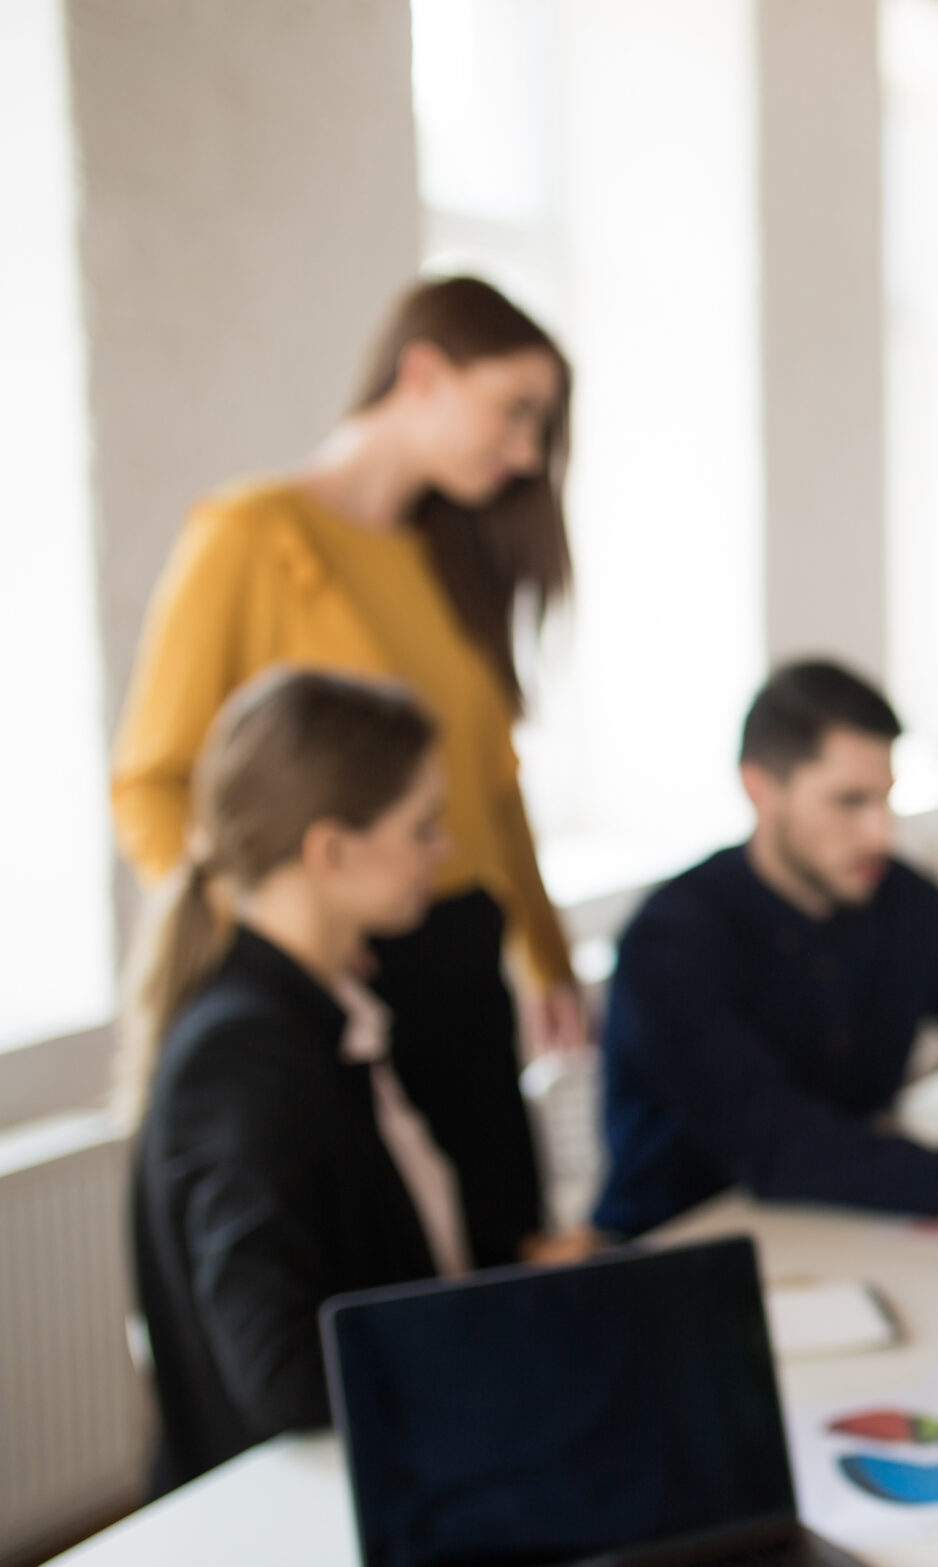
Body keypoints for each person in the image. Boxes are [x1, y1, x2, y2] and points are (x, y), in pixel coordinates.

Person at [111, 276, 586, 1270]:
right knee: (364, 1282)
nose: (527, 452)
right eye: (514, 411)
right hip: (334, 967)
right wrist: (264, 941)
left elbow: (493, 787)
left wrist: (545, 951)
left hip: (459, 950)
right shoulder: (250, 535)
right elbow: (151, 781)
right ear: (422, 375)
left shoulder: (455, 552)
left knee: (505, 1256)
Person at [125, 670, 458, 1492]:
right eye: (422, 827)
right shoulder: (242, 1056)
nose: (441, 850)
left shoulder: (317, 1009)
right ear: (331, 851)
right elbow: (285, 1376)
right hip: (300, 1511)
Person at [592, 661, 938, 1236]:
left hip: (842, 1232)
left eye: (886, 799)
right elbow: (779, 1148)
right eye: (849, 801)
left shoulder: (905, 900)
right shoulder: (672, 941)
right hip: (677, 1249)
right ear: (760, 789)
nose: (881, 832)